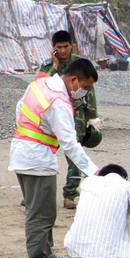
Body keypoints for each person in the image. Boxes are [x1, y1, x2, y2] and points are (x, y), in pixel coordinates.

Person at [9, 58, 104, 258]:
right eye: (85, 87)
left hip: (24, 152)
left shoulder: (41, 83)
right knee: (40, 215)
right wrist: (94, 171)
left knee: (44, 211)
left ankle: (47, 254)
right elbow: (70, 143)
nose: (84, 92)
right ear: (73, 80)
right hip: (37, 160)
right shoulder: (59, 101)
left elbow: (19, 107)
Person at [38, 30, 101, 209]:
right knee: (44, 153)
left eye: (66, 46)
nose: (63, 50)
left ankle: (70, 194)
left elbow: (90, 90)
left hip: (76, 115)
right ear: (54, 48)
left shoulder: (80, 64)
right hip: (51, 116)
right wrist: (55, 66)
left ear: (71, 45)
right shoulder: (48, 65)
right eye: (59, 47)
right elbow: (41, 84)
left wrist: (93, 117)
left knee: (74, 154)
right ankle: (36, 192)